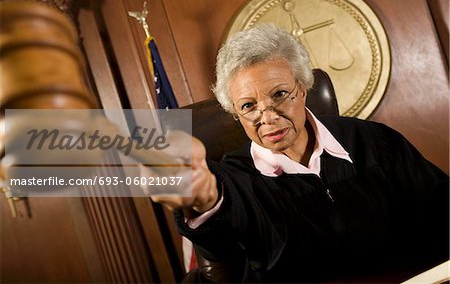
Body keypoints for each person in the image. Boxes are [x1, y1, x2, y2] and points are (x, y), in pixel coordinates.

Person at [151, 23, 449, 283]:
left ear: (304, 87)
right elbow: (223, 225)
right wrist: (205, 200)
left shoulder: (373, 141)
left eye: (279, 94)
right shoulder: (235, 182)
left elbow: (441, 210)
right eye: (248, 106)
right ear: (235, 113)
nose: (267, 117)